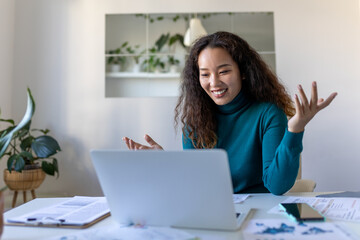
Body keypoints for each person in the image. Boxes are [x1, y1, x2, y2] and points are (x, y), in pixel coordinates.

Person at [122, 31, 337, 195]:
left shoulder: (268, 113)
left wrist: (295, 128)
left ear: (243, 72)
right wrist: (167, 164)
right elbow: (197, 186)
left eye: (224, 71)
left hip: (260, 215)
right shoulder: (195, 120)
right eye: (205, 74)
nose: (214, 82)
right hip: (215, 214)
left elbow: (277, 186)